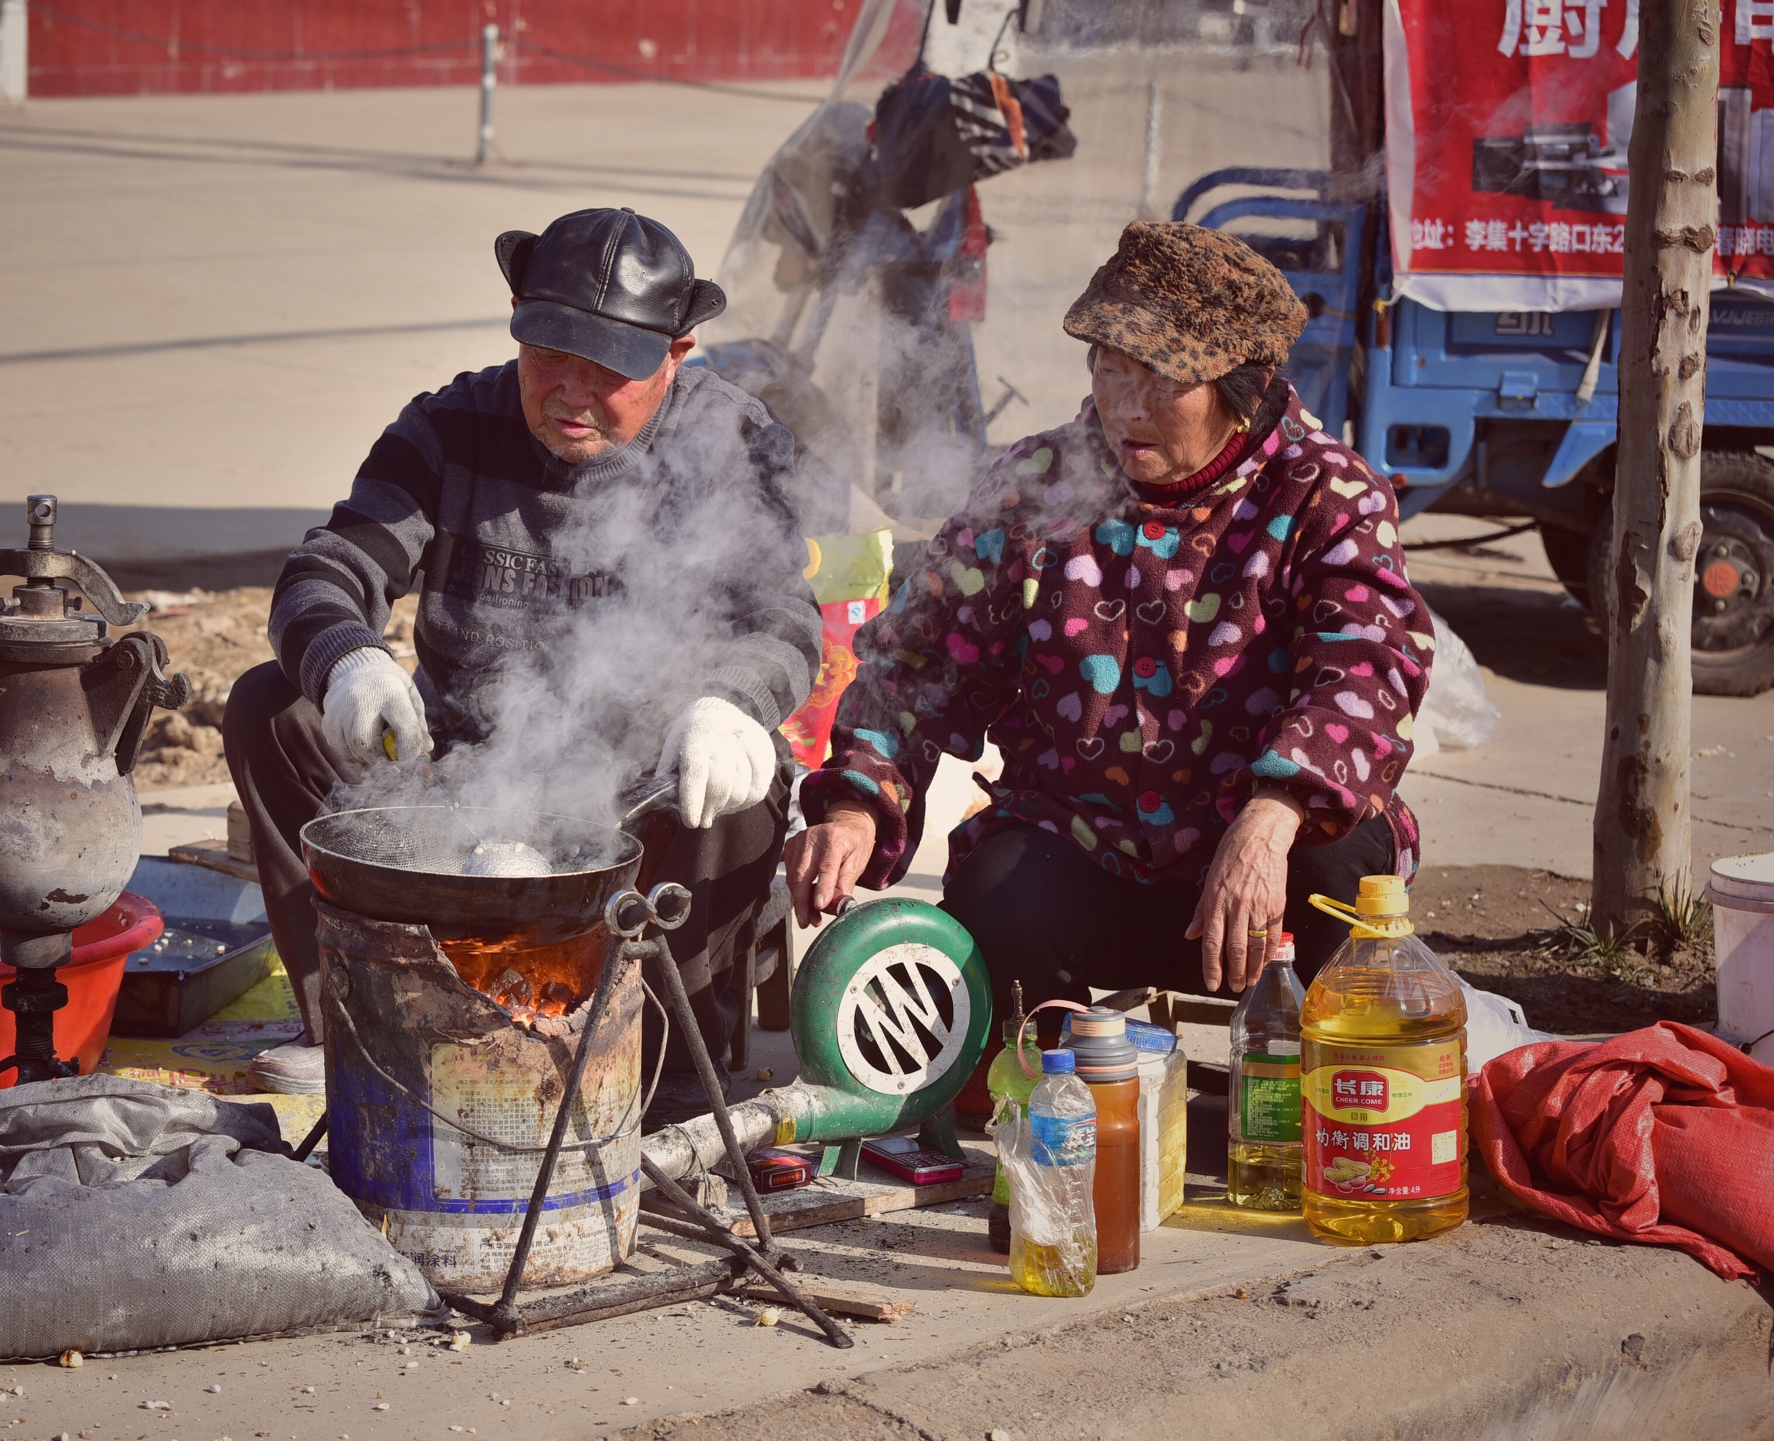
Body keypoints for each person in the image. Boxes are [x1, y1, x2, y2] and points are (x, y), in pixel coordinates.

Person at [227, 207, 820, 1107]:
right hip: (460, 791)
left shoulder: (735, 446)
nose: (571, 391)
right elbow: (327, 569)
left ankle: (666, 1071)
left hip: (645, 801)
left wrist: (732, 704)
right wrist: (352, 660)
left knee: (751, 772)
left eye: (609, 368)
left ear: (678, 351)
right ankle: (358, 1022)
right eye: (548, 355)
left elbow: (783, 619)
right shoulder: (450, 427)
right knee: (273, 704)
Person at [786, 221, 1434, 1005]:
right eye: (1109, 370)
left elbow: (1366, 672)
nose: (1127, 407)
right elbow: (919, 663)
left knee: (1342, 866)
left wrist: (1272, 816)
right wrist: (860, 801)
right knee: (998, 892)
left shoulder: (1325, 491)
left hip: (1264, 855)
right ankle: (1053, 1083)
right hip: (1086, 852)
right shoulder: (1036, 483)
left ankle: (1315, 1087)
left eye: (1161, 381)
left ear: (1246, 384)